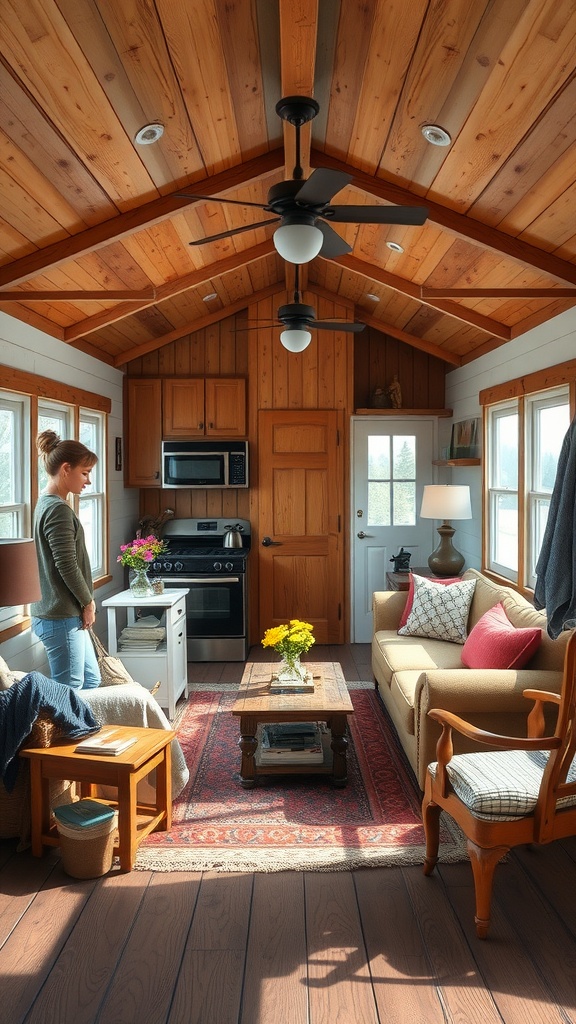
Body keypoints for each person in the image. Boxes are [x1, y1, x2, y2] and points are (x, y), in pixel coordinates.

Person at [31, 430, 101, 689]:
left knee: (92, 681)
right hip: (60, 615)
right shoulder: (57, 509)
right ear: (65, 469)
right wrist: (88, 602)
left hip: (61, 613)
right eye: (85, 473)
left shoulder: (47, 502)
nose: (88, 481)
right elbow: (66, 564)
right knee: (68, 689)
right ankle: (63, 732)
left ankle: (88, 731)